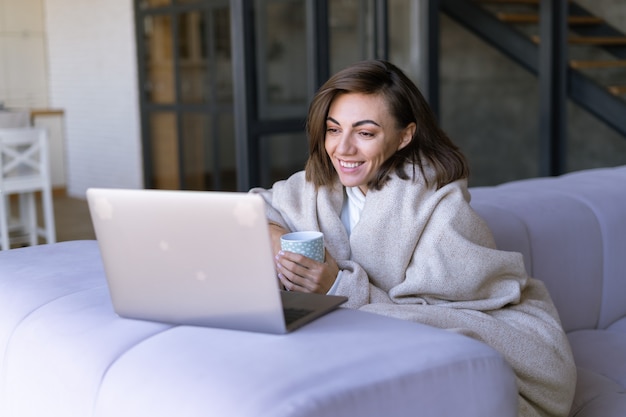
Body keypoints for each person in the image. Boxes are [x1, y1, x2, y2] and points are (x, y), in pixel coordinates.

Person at [250, 59, 576, 417]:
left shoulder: (441, 208)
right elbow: (252, 211)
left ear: (404, 136)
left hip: (485, 329)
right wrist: (281, 238)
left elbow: (442, 316)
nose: (342, 149)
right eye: (333, 129)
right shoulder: (315, 188)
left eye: (365, 133)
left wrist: (337, 286)